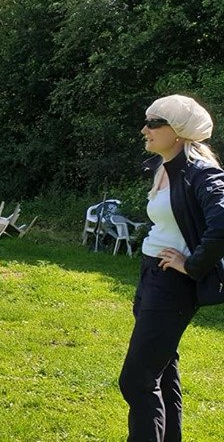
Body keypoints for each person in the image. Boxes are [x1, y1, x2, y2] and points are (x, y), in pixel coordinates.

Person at [119, 95, 222, 441]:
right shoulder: (165, 167)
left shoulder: (200, 171)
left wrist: (191, 265)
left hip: (172, 285)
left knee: (136, 379)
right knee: (161, 372)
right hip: (152, 275)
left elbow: (222, 223)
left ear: (178, 131)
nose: (144, 129)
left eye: (154, 123)